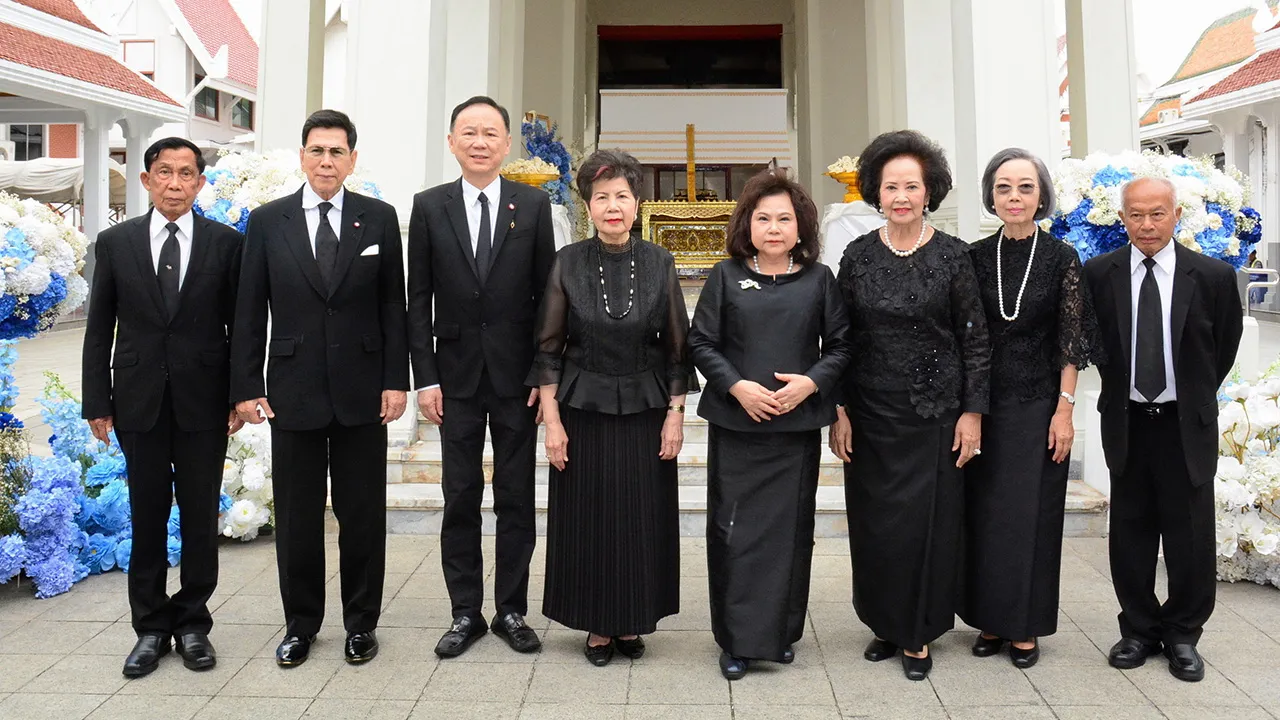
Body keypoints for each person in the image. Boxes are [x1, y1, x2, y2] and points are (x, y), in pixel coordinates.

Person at [231, 109, 409, 667]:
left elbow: (392, 307)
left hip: (362, 392)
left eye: (337, 151)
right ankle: (301, 625)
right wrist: (245, 386)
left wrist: (394, 381)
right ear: (302, 156)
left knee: (362, 516)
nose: (327, 160)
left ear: (353, 159)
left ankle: (361, 624)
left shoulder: (378, 219)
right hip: (293, 390)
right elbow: (249, 311)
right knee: (299, 518)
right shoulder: (267, 222)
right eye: (317, 150)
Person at [829, 130, 990, 681]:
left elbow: (975, 339)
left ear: (929, 192)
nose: (901, 196)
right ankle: (885, 622)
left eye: (912, 186)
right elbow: (841, 339)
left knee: (926, 525)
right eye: (891, 185)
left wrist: (973, 412)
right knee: (876, 525)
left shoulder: (953, 255)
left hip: (935, 411)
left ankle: (918, 632)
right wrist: (840, 409)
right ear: (876, 190)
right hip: (870, 412)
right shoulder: (857, 255)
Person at [82, 137, 244, 678]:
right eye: (164, 172)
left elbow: (241, 329)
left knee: (200, 518)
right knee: (147, 517)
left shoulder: (226, 244)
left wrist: (240, 393)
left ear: (200, 182)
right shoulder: (116, 243)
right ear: (147, 179)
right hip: (138, 402)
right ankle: (150, 627)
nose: (175, 183)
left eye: (186, 174)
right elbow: (99, 327)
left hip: (205, 404)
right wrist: (96, 402)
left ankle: (194, 622)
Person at [530, 149, 696, 666]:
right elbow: (549, 346)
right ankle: (597, 626)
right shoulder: (569, 262)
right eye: (601, 198)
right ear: (588, 207)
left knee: (640, 519)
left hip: (647, 412)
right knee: (589, 519)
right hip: (582, 411)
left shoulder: (659, 261)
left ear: (638, 203)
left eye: (622, 195)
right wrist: (551, 422)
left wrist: (675, 414)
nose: (612, 206)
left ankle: (632, 619)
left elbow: (677, 346)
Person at [407, 96, 556, 658]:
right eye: (468, 132)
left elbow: (549, 298)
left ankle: (511, 609)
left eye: (490, 132)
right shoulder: (428, 207)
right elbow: (416, 299)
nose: (479, 142)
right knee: (460, 496)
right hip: (456, 378)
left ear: (506, 143)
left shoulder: (534, 206)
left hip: (517, 379)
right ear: (451, 142)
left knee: (517, 497)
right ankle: (465, 611)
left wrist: (545, 377)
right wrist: (426, 377)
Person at [689, 169, 851, 680]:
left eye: (785, 218)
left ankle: (780, 634)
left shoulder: (819, 280)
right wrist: (736, 386)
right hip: (737, 430)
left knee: (789, 535)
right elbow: (701, 343)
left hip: (794, 431)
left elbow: (844, 346)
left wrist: (811, 383)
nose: (774, 227)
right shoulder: (725, 275)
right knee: (734, 535)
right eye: (763, 218)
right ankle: (736, 641)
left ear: (801, 226)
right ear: (748, 224)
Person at [1083, 176, 1242, 682]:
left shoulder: (1212, 276)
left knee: (1189, 534)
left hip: (1183, 423)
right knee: (1129, 530)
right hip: (1128, 421)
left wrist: (1189, 396)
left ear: (1176, 215)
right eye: (1135, 215)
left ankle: (1182, 633)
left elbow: (1224, 345)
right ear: (1122, 218)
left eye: (1157, 214)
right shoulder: (1098, 274)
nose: (1146, 225)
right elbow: (1096, 343)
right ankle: (1138, 628)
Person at [963, 148, 1098, 668]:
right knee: (984, 515)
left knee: (1029, 517)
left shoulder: (1062, 257)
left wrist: (1064, 410)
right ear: (990, 196)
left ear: (1041, 195)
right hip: (981, 404)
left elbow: (1070, 340)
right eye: (1003, 187)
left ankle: (1024, 626)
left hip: (1038, 404)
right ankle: (989, 622)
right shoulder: (974, 256)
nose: (1014, 196)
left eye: (1024, 186)